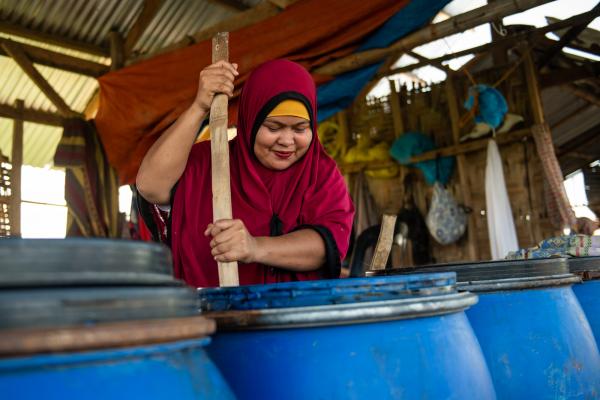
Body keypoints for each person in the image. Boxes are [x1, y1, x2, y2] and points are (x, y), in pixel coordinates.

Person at [136, 59, 354, 287]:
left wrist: (254, 247)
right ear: (250, 120)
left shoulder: (321, 173)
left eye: (300, 129)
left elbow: (328, 245)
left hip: (296, 316)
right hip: (209, 317)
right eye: (273, 127)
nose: (287, 141)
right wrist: (199, 107)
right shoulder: (208, 161)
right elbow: (150, 186)